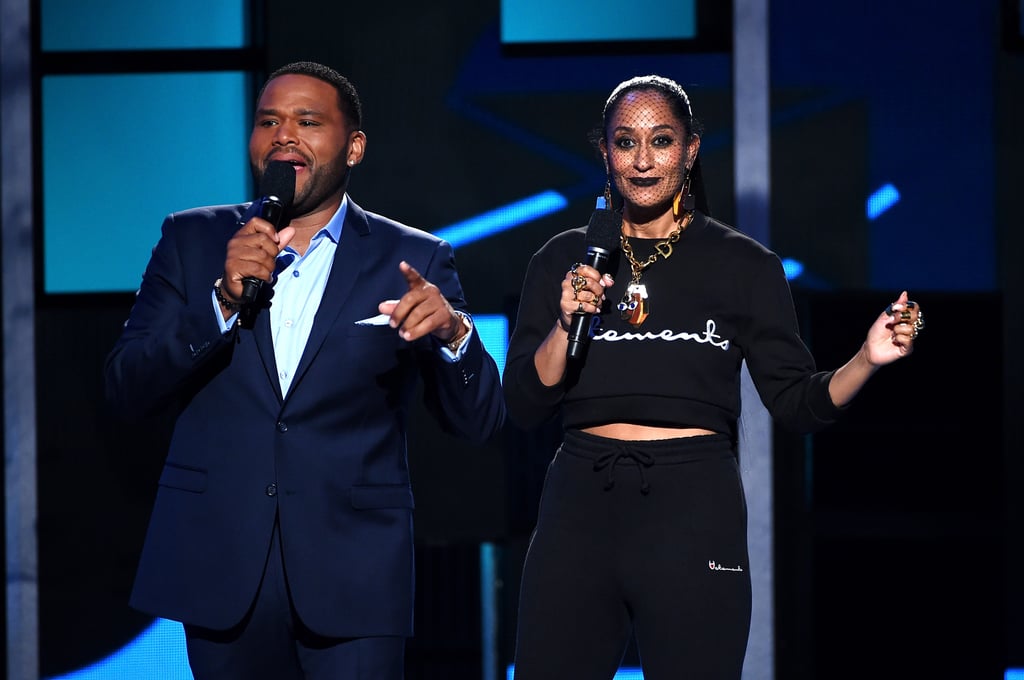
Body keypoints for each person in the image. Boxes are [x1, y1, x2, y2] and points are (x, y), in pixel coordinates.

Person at [502, 74, 924, 679]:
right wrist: (566, 317)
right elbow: (523, 404)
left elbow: (797, 403)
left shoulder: (744, 266)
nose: (643, 161)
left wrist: (867, 358)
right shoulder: (562, 260)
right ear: (604, 151)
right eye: (626, 142)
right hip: (578, 508)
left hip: (692, 510)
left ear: (691, 149)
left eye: (661, 141)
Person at [104, 61, 505, 679]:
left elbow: (478, 422)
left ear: (354, 147)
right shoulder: (192, 241)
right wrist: (219, 304)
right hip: (220, 564)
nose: (284, 134)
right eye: (269, 120)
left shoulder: (415, 256)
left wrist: (455, 336)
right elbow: (127, 387)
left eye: (307, 121)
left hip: (354, 572)